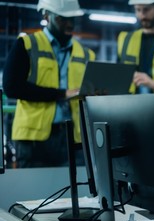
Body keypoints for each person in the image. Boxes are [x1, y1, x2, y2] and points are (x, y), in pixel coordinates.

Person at [2, 0, 95, 168]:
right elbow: (12, 87)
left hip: (74, 137)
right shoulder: (26, 45)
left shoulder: (87, 54)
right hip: (33, 140)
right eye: (62, 19)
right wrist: (62, 93)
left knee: (77, 192)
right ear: (46, 16)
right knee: (35, 193)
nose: (69, 24)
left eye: (72, 18)